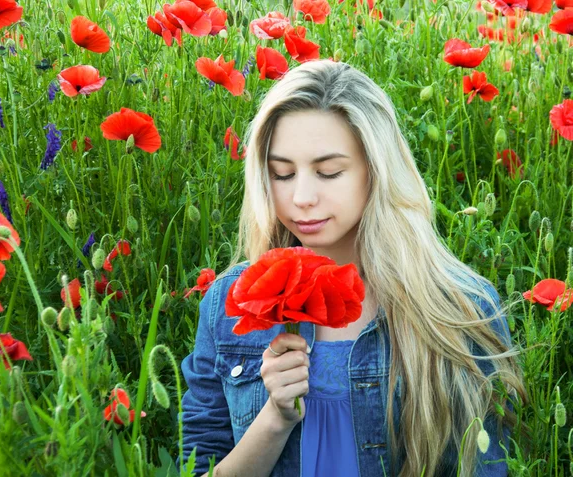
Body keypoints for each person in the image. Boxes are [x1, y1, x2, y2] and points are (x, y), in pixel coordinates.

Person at [176, 59, 527, 477]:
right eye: (282, 174)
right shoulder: (230, 302)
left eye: (328, 172)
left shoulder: (457, 307)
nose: (302, 197)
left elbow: (483, 467)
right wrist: (274, 419)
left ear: (376, 172)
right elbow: (196, 468)